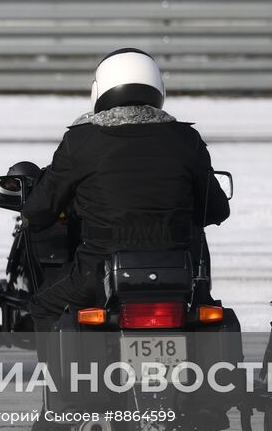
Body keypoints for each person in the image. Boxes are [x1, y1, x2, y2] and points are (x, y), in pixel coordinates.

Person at [22, 49, 230, 333]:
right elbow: (217, 209)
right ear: (158, 89)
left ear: (99, 90)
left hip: (97, 272)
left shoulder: (80, 141)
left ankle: (61, 378)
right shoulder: (186, 139)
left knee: (44, 305)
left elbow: (39, 211)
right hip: (178, 272)